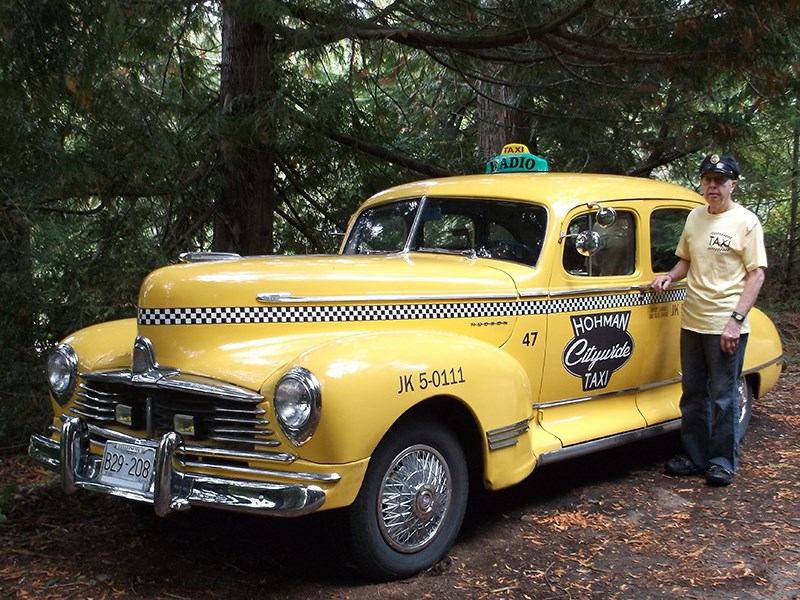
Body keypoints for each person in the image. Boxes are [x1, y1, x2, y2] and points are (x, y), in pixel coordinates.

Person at [651, 153, 767, 486]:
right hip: (693, 320)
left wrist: (736, 320)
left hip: (726, 324)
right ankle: (694, 456)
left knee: (723, 395)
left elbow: (756, 275)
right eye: (708, 180)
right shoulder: (695, 218)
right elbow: (685, 261)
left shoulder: (747, 222)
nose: (712, 186)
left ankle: (722, 462)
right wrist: (669, 278)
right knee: (693, 393)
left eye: (720, 180)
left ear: (732, 184)